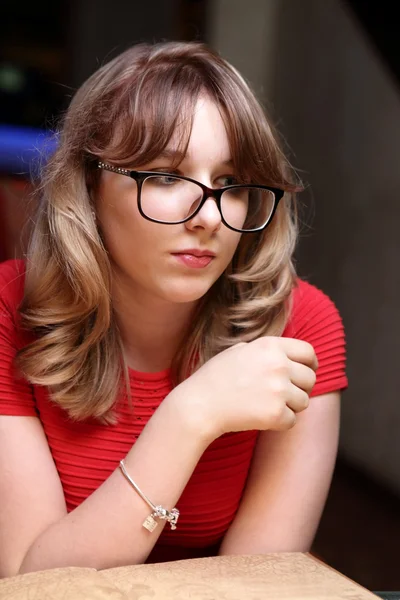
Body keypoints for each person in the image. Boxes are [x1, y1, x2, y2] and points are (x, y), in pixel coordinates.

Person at [0, 41, 347, 577]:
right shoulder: (9, 308)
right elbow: (36, 583)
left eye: (229, 183)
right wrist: (189, 417)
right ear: (89, 185)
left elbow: (253, 585)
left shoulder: (299, 323)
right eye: (165, 176)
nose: (208, 217)